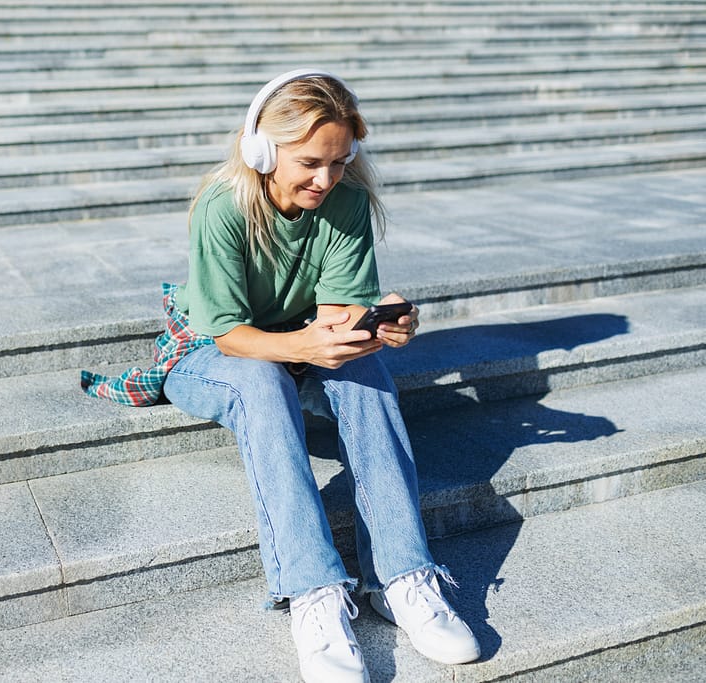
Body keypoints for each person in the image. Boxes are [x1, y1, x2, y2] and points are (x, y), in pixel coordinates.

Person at [82, 68, 480, 682]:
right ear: (262, 151)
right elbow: (230, 335)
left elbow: (337, 311)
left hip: (296, 340)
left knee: (365, 371)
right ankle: (314, 593)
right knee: (261, 380)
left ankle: (402, 577)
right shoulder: (223, 206)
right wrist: (302, 345)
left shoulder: (348, 203)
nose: (327, 179)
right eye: (310, 163)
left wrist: (375, 325)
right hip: (211, 353)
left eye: (341, 162)